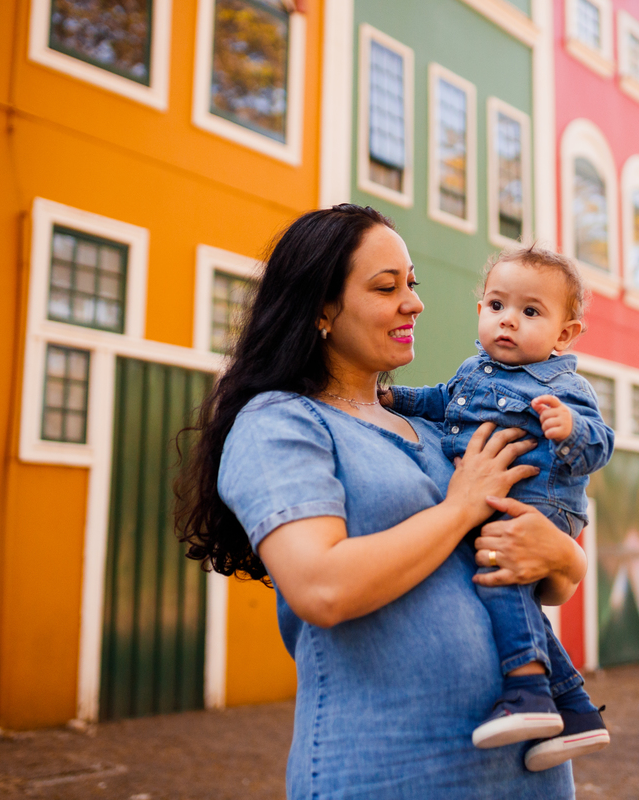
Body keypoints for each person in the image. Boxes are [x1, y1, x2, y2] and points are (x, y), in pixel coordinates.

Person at [175, 204, 587, 799]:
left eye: (411, 284)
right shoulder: (283, 423)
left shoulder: (438, 431)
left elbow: (531, 579)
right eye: (386, 287)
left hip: (524, 772)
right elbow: (322, 587)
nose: (414, 303)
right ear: (319, 308)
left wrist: (565, 560)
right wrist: (459, 509)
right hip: (390, 770)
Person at [385, 245, 614, 771]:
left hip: (541, 504)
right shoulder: (474, 369)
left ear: (564, 335)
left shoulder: (562, 386)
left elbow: (600, 443)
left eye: (530, 312)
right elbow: (443, 399)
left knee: (497, 575)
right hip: (499, 501)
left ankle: (528, 687)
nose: (508, 320)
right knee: (513, 590)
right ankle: (577, 712)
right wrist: (395, 400)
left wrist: (570, 428)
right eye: (495, 305)